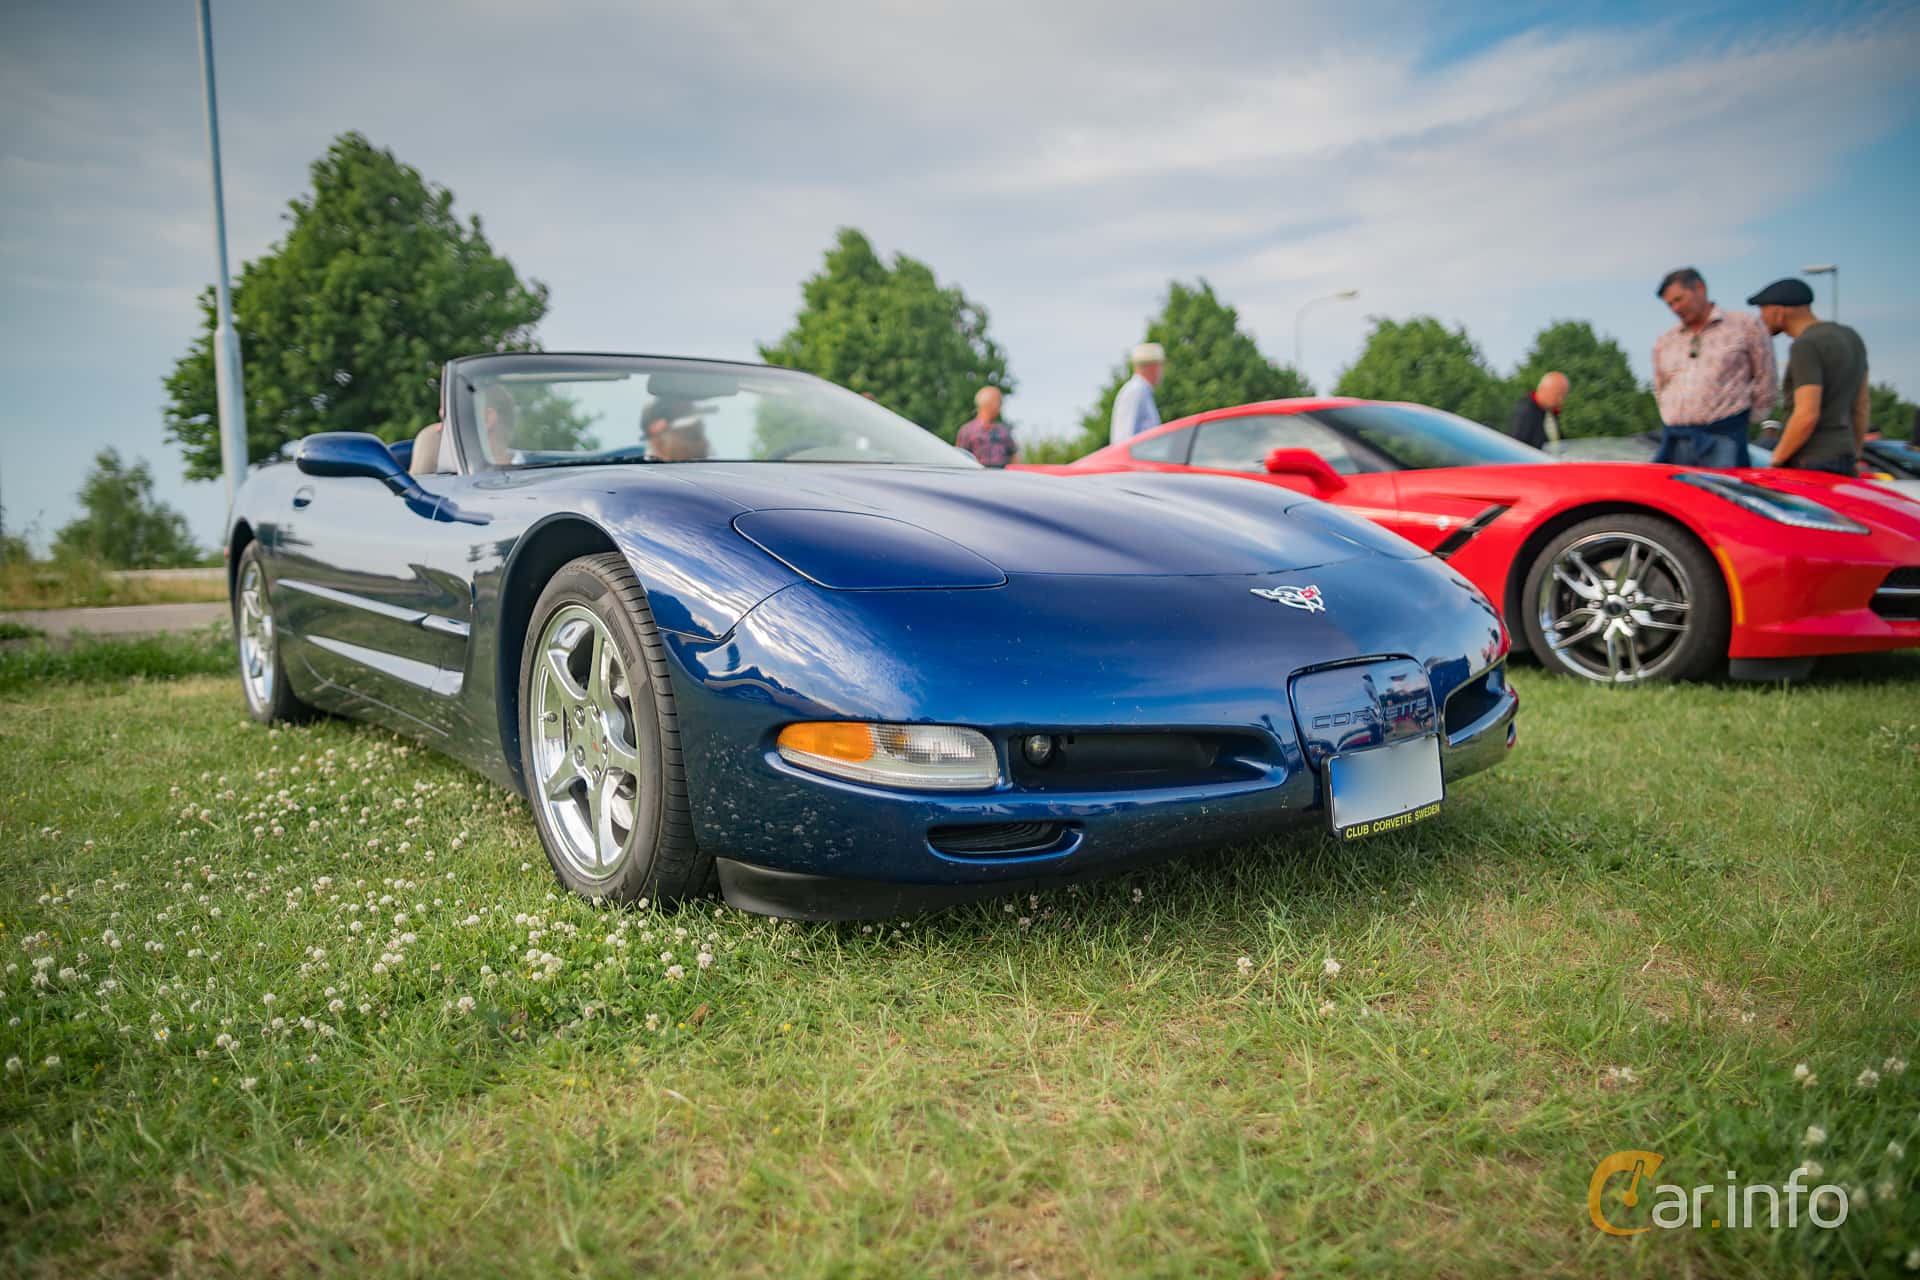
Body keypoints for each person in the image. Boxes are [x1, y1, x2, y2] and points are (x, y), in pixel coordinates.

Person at [1651, 267, 1775, 468]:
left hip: (1724, 436)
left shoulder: (1745, 326)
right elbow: (1659, 386)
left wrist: (1740, 420)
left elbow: (1766, 379)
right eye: (1670, 304)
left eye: (1679, 299)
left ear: (1700, 288)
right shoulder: (1666, 341)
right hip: (1675, 440)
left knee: (1718, 497)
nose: (1675, 308)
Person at [1748, 277, 1868, 476]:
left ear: (1780, 310)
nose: (1762, 319)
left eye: (1763, 310)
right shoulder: (1851, 337)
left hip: (1811, 459)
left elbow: (1806, 414)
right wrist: (1855, 455)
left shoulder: (1805, 345)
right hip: (1844, 456)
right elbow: (1861, 405)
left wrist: (1775, 461)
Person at [1109, 342, 1165, 446]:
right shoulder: (1136, 391)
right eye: (1160, 366)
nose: (1162, 371)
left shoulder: (1141, 391)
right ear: (1153, 367)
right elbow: (1123, 440)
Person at [955, 386, 1017, 467]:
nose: (1000, 406)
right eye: (998, 402)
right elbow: (959, 459)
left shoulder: (1004, 431)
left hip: (1002, 478)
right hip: (977, 477)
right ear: (988, 404)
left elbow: (1014, 457)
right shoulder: (967, 431)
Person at [1505, 371, 1569, 449]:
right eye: (1558, 394)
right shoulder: (1526, 412)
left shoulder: (1549, 413)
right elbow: (1516, 446)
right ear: (1543, 389)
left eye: (1564, 396)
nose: (1561, 400)